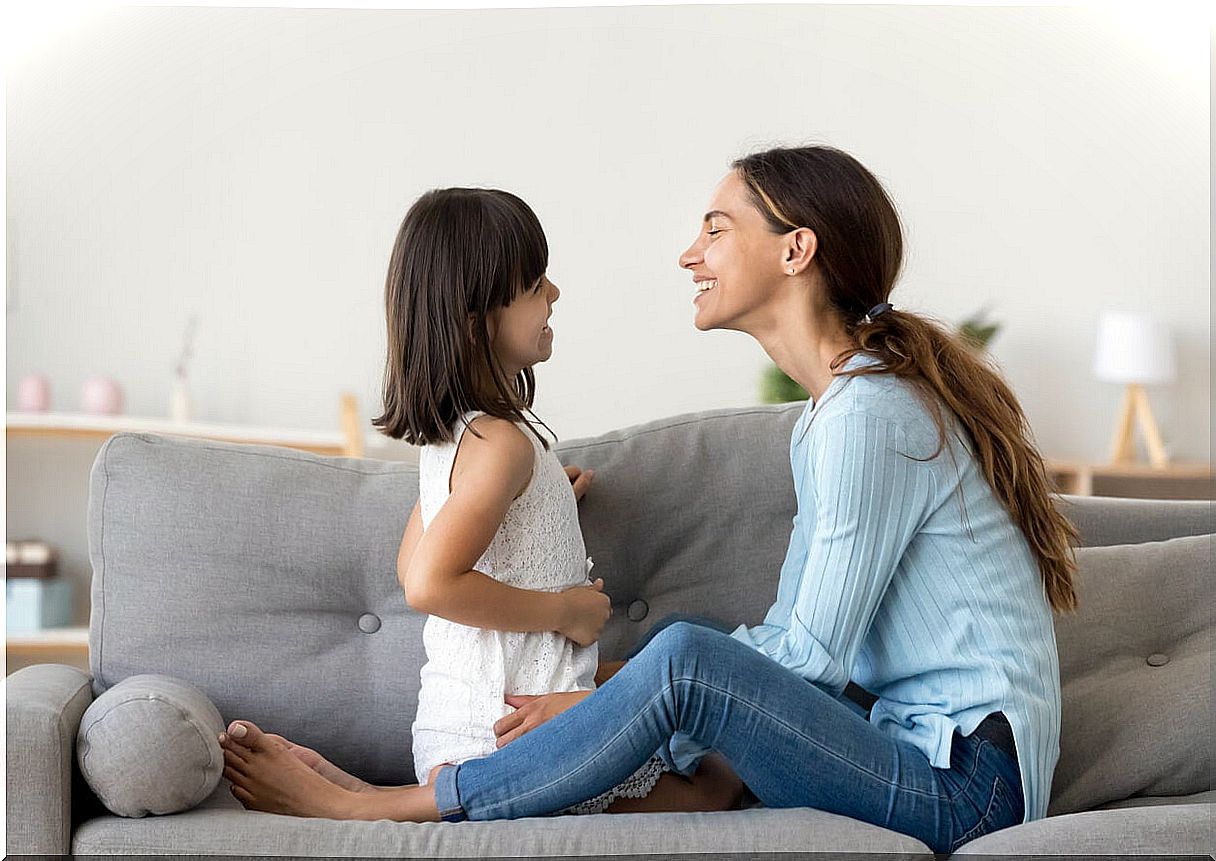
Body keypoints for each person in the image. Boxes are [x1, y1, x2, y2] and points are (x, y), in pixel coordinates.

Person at [219, 147, 1077, 854]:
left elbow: (808, 657)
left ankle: (387, 808)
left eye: (715, 228)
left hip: (967, 787)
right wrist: (616, 697)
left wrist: (604, 701)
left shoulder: (871, 415)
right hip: (906, 746)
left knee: (685, 657)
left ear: (795, 251)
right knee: (679, 661)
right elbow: (789, 641)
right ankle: (418, 792)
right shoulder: (830, 418)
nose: (689, 254)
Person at [220, 186, 742, 817]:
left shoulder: (460, 440)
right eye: (535, 284)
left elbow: (414, 564)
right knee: (715, 786)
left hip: (464, 726)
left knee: (690, 688)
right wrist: (564, 611)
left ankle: (376, 794)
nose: (554, 294)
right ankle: (365, 806)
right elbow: (430, 586)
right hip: (515, 735)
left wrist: (540, 508)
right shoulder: (499, 446)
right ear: (477, 316)